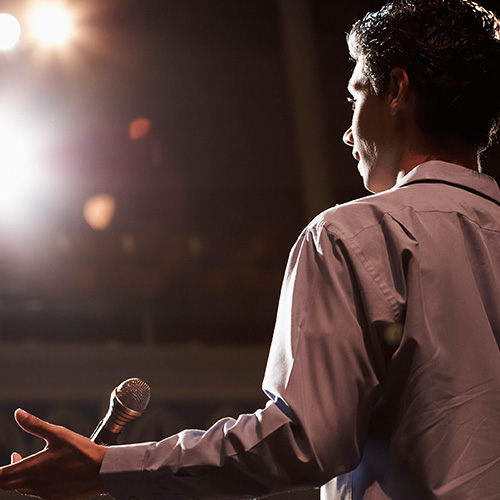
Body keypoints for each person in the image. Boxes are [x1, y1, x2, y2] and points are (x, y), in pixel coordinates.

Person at [1, 0, 500, 498]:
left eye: (356, 96)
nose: (349, 131)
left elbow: (305, 442)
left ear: (397, 89)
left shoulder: (354, 236)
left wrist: (110, 466)